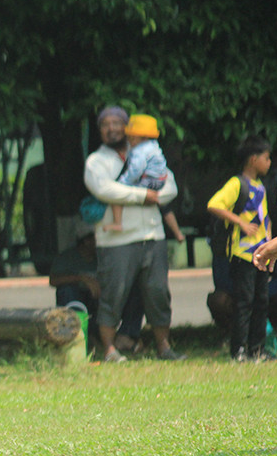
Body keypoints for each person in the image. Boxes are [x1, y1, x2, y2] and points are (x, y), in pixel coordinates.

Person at [84, 105, 184, 362]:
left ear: (129, 128)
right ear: (99, 131)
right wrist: (143, 196)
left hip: (153, 236)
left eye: (117, 123)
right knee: (112, 294)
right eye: (105, 124)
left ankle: (164, 347)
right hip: (116, 241)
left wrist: (154, 196)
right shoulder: (96, 161)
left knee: (158, 293)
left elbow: (169, 185)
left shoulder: (148, 153)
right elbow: (104, 190)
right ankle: (109, 350)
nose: (111, 128)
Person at [208, 135, 273, 361]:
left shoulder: (260, 186)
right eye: (266, 158)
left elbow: (265, 219)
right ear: (253, 159)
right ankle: (239, 349)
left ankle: (257, 349)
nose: (270, 162)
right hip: (242, 254)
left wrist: (270, 244)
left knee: (261, 301)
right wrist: (240, 222)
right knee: (244, 302)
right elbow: (214, 204)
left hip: (261, 254)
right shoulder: (238, 184)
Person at [49, 222, 145, 355]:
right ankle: (75, 332)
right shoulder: (67, 258)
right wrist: (82, 279)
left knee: (135, 290)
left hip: (102, 302)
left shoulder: (105, 255)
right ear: (86, 241)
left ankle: (125, 336)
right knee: (66, 290)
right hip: (79, 301)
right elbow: (53, 280)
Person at [103, 114, 186, 243]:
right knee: (165, 207)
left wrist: (123, 183)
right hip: (160, 179)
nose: (129, 140)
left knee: (116, 196)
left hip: (148, 181)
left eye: (132, 138)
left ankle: (117, 222)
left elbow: (135, 171)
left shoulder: (139, 152)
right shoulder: (154, 146)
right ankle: (178, 233)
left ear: (143, 137)